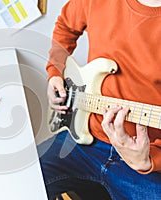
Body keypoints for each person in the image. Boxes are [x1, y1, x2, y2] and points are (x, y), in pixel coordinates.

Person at [38, 0, 161, 199]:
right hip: (83, 140)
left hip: (145, 159)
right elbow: (65, 26)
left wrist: (151, 159)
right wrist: (55, 71)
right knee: (19, 179)